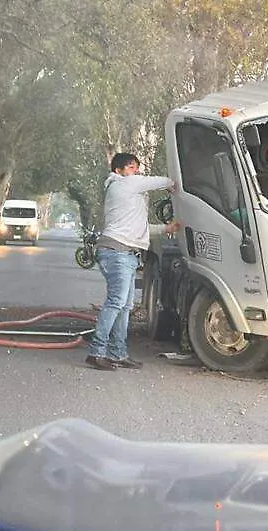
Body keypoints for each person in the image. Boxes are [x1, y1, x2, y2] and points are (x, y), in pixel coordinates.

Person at [86, 153, 181, 371]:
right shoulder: (123, 184)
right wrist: (173, 184)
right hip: (116, 252)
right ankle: (96, 351)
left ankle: (118, 353)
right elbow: (160, 182)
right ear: (118, 170)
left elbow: (138, 228)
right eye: (131, 167)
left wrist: (166, 229)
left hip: (126, 253)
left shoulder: (127, 190)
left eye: (137, 167)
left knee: (125, 306)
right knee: (116, 302)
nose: (135, 171)